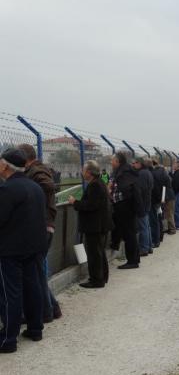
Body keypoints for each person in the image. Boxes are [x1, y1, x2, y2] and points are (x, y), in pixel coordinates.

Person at [0, 149, 47, 353]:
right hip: (34, 246)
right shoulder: (34, 187)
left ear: (5, 166)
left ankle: (8, 339)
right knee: (33, 287)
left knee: (10, 293)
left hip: (10, 250)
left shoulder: (8, 190)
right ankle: (35, 328)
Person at [18, 143, 62, 322]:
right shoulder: (36, 170)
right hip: (44, 226)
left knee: (35, 274)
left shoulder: (36, 172)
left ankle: (47, 312)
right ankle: (52, 308)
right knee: (37, 272)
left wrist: (30, 197)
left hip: (41, 227)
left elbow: (48, 186)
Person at [69, 161, 113, 288]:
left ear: (89, 172)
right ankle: (101, 277)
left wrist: (75, 202)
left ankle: (96, 280)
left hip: (95, 225)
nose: (82, 173)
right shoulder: (98, 183)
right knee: (99, 252)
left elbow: (91, 205)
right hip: (98, 224)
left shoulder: (95, 185)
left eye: (83, 170)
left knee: (94, 253)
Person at [110, 152, 142, 269]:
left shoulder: (124, 173)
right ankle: (134, 259)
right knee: (130, 233)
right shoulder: (123, 171)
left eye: (112, 160)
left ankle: (132, 261)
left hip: (125, 208)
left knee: (129, 234)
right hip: (125, 207)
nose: (111, 162)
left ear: (118, 162)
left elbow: (126, 189)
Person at [132, 158, 154, 256]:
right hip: (147, 202)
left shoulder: (141, 174)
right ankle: (149, 246)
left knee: (143, 227)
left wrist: (139, 204)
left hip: (143, 204)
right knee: (147, 225)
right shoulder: (148, 172)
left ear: (140, 164)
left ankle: (144, 248)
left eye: (135, 163)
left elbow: (140, 190)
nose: (133, 165)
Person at [149, 160, 170, 246]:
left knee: (154, 220)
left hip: (155, 199)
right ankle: (160, 236)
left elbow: (155, 188)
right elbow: (167, 185)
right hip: (162, 198)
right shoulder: (163, 172)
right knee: (159, 218)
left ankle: (156, 240)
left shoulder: (154, 173)